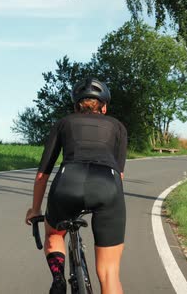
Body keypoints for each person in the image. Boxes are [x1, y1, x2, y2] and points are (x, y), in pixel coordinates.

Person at [25, 77, 127, 294]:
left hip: (67, 183)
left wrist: (35, 209)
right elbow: (120, 174)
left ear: (75, 106)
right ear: (105, 107)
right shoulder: (118, 127)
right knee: (110, 273)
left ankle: (58, 278)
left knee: (54, 234)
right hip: (107, 185)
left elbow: (43, 173)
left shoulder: (64, 123)